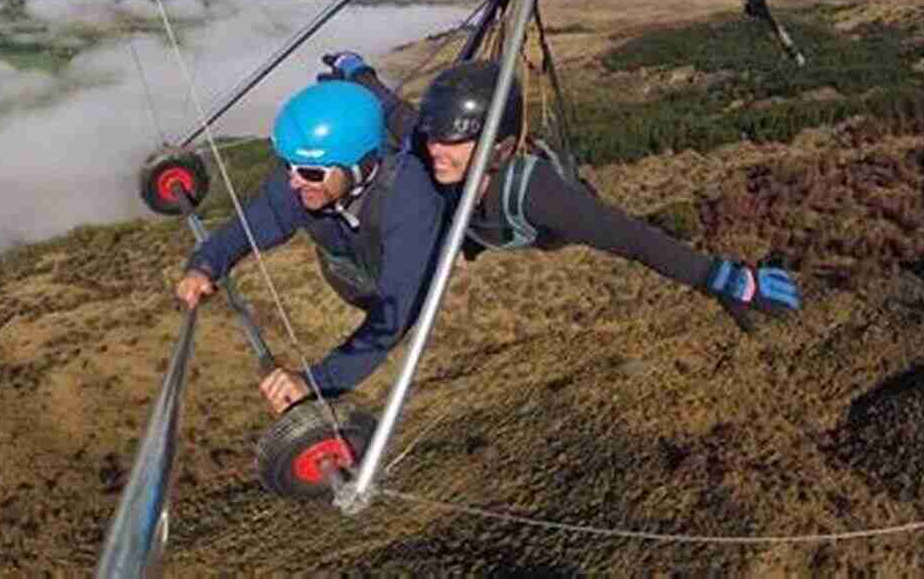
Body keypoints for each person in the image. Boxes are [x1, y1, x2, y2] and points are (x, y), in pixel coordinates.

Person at [318, 51, 803, 326]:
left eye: (453, 141)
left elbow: (633, 239)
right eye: (435, 136)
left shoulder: (538, 194)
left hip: (524, 222)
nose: (437, 148)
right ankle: (376, 277)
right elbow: (398, 114)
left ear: (498, 148)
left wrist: (723, 278)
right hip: (473, 219)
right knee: (390, 173)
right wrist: (359, 74)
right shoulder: (436, 150)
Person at [175, 80, 447, 414]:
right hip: (350, 272)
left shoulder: (412, 202)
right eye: (287, 165)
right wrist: (205, 263)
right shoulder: (304, 185)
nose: (294, 181)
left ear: (359, 167)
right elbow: (251, 224)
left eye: (308, 172)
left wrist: (316, 380)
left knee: (399, 298)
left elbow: (393, 317)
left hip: (398, 281)